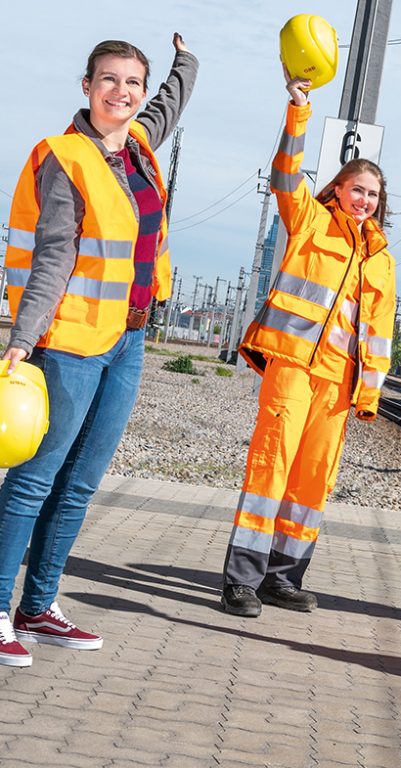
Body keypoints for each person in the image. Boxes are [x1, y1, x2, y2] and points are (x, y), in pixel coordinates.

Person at [0, 35, 198, 668]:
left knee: (81, 482)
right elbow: (54, 255)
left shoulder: (139, 147)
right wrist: (23, 338)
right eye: (108, 80)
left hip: (129, 340)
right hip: (71, 341)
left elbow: (169, 106)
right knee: (35, 480)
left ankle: (39, 605)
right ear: (86, 87)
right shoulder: (66, 158)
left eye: (132, 83)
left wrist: (185, 64)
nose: (123, 92)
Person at [219, 69, 396, 618]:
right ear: (338, 190)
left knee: (313, 479)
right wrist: (298, 110)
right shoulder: (310, 221)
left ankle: (283, 576)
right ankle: (241, 582)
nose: (364, 199)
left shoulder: (383, 260)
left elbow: (379, 334)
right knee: (271, 466)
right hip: (293, 364)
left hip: (339, 384)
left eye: (372, 193)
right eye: (356, 189)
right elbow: (284, 173)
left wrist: (367, 393)